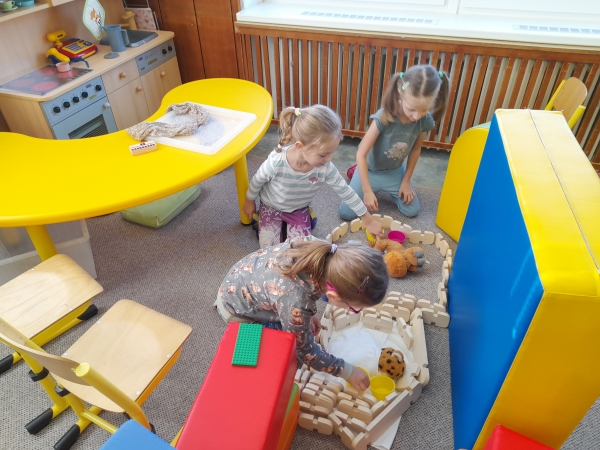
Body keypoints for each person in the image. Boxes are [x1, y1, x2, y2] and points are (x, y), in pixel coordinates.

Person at [215, 238, 389, 390]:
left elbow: (296, 294)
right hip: (238, 310)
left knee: (296, 325)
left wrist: (309, 313)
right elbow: (306, 352)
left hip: (244, 276)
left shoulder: (322, 250)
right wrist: (348, 372)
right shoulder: (296, 303)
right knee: (283, 353)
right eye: (354, 308)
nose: (354, 311)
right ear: (334, 296)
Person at [243, 105, 383, 248]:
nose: (329, 159)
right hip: (271, 207)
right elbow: (257, 180)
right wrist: (249, 200)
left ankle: (303, 219)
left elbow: (346, 192)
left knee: (302, 250)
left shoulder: (325, 167)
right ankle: (266, 222)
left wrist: (368, 220)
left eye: (331, 153)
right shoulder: (276, 161)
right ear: (300, 146)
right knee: (269, 249)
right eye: (323, 155)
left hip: (298, 208)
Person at [340, 64, 450, 220]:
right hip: (370, 170)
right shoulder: (383, 117)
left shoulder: (424, 121)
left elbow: (415, 150)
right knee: (346, 213)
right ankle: (356, 172)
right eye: (411, 109)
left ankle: (381, 183)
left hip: (394, 172)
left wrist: (406, 181)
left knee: (412, 211)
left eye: (424, 110)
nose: (416, 116)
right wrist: (367, 191)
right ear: (400, 93)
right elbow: (361, 154)